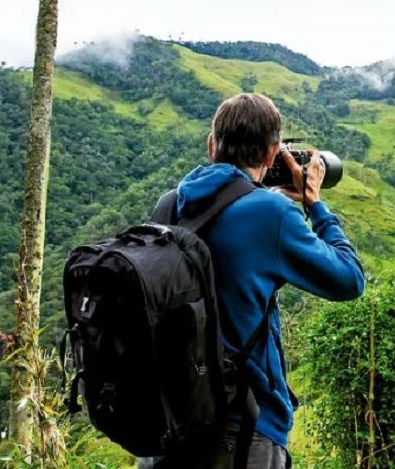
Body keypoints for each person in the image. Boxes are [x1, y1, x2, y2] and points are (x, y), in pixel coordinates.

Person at [139, 93, 365, 469]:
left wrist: (264, 195)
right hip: (242, 428)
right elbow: (349, 280)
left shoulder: (171, 204)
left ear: (211, 145)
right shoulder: (270, 213)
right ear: (273, 152)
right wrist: (314, 204)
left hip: (168, 425)